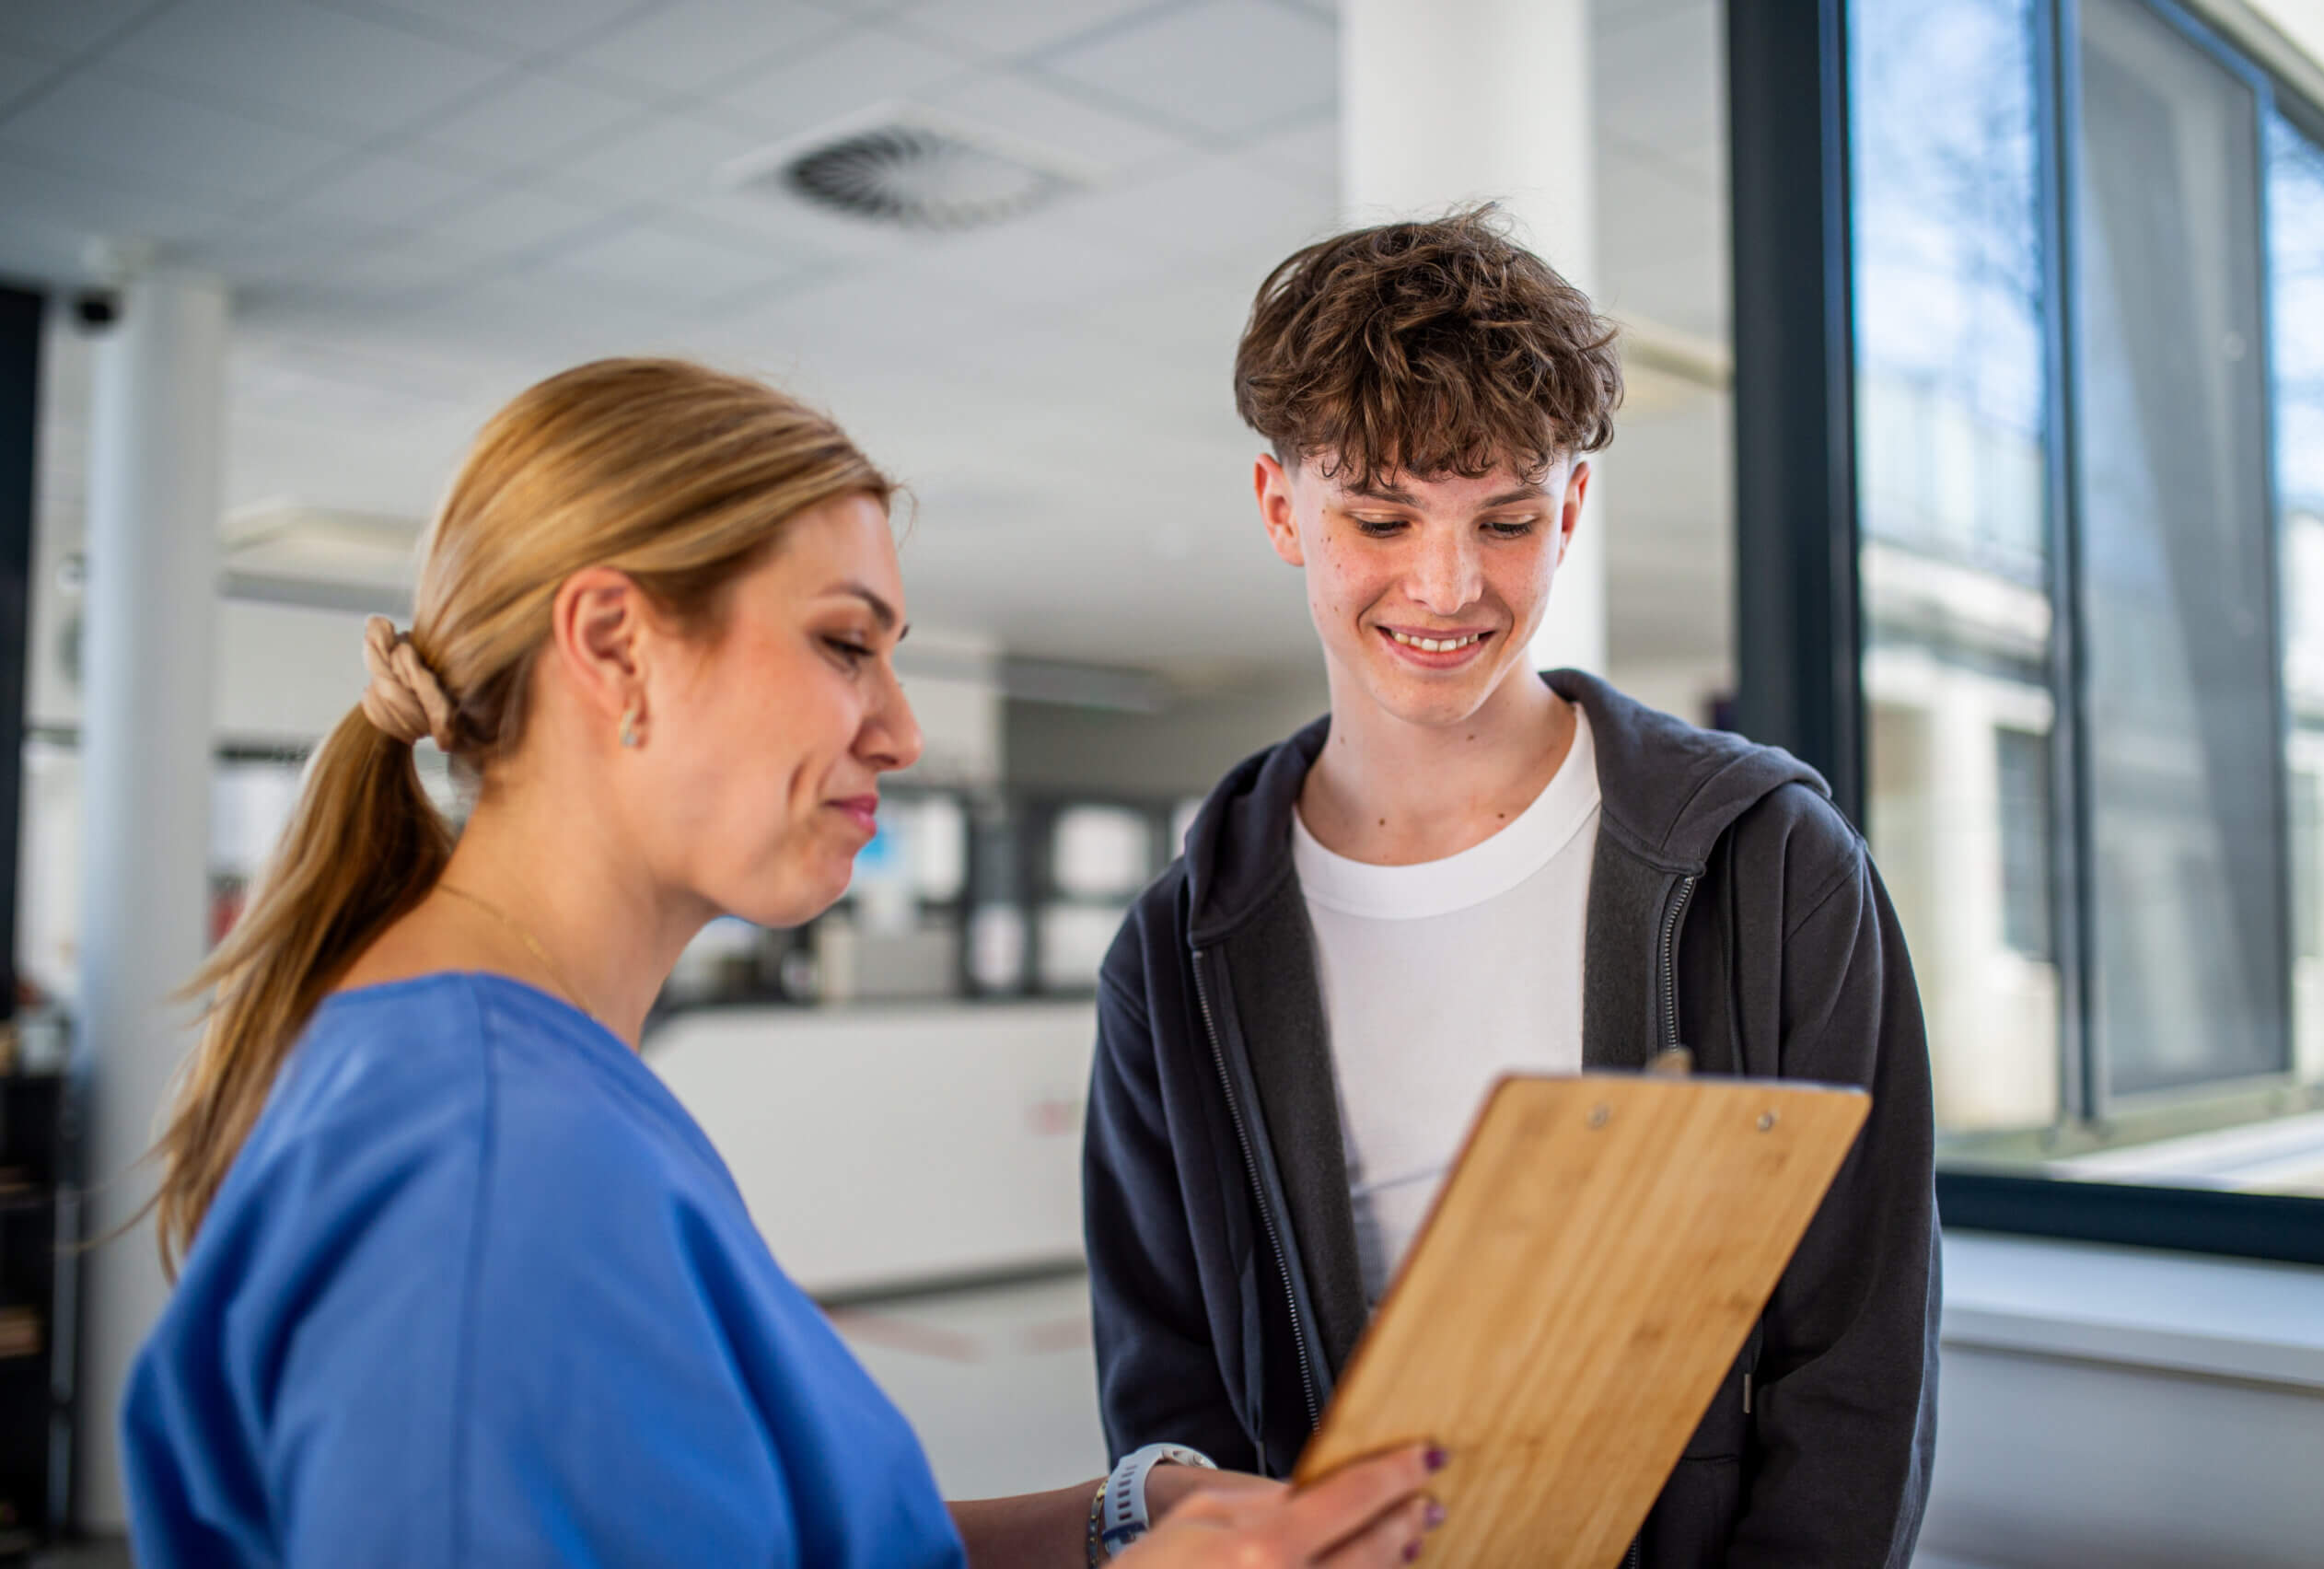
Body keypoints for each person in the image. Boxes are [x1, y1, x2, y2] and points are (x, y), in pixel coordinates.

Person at [122, 358, 1451, 1568]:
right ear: (610, 645)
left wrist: (1104, 1529)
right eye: (842, 644)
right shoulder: (490, 1162)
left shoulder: (528, 1085)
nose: (902, 731)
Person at [1083, 209, 1939, 1565]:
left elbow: (1859, 1361)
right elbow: (1167, 1390)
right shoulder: (1179, 948)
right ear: (1279, 509)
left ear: (1573, 511)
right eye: (1379, 516)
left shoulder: (1772, 867)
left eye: (1507, 520)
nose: (1448, 584)